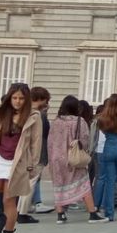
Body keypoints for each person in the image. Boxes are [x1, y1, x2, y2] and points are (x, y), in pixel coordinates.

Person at [0, 83, 42, 233]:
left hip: (17, 163)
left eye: (21, 98)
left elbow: (36, 143)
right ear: (9, 98)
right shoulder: (1, 115)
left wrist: (32, 166)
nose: (17, 101)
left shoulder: (34, 116)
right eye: (15, 98)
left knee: (9, 201)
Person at [47, 95, 105, 223]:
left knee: (58, 186)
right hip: (73, 158)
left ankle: (60, 215)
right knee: (84, 184)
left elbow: (50, 141)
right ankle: (92, 213)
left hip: (56, 158)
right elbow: (84, 140)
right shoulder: (79, 121)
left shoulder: (56, 121)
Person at [16, 86, 52, 222]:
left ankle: (20, 210)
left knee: (27, 183)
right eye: (46, 100)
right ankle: (22, 213)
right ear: (40, 99)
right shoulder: (38, 114)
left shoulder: (25, 112)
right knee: (30, 183)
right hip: (36, 153)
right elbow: (43, 134)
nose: (47, 104)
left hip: (26, 152)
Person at [90, 94, 117, 222]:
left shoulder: (102, 118)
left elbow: (101, 131)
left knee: (109, 182)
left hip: (108, 148)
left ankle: (109, 213)